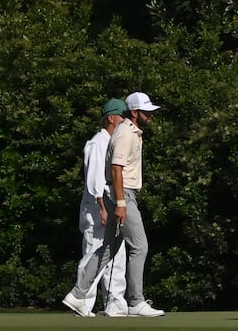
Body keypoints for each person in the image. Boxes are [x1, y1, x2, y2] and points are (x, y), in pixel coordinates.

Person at [62, 91, 166, 318]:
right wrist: (120, 203)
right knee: (140, 246)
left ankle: (78, 295)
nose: (151, 116)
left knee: (109, 248)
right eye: (147, 112)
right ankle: (136, 301)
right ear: (135, 113)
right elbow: (116, 169)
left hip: (121, 194)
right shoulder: (125, 134)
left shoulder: (130, 132)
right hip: (123, 195)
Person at [73, 98, 129, 316]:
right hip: (97, 207)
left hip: (110, 203)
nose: (124, 123)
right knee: (93, 252)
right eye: (122, 118)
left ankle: (116, 304)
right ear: (111, 118)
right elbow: (94, 179)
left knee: (116, 253)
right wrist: (102, 207)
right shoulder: (99, 142)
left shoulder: (114, 141)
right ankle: (83, 302)